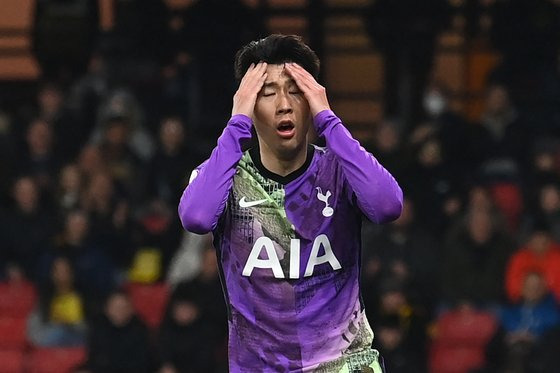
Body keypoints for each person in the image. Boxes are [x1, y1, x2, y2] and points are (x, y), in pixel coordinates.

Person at [178, 34, 403, 372]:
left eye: (296, 91)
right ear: (250, 105)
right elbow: (196, 217)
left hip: (344, 365)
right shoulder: (228, 177)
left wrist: (328, 119)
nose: (284, 104)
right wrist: (237, 123)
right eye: (267, 93)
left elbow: (388, 206)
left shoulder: (339, 170)